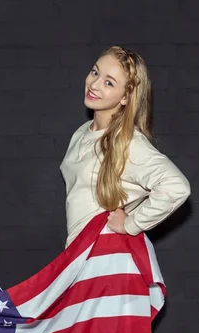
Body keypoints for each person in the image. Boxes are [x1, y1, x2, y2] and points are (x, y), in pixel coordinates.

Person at [60, 45, 191, 246]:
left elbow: (176, 187)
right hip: (77, 255)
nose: (94, 84)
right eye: (95, 72)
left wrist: (130, 224)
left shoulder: (128, 143)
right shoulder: (82, 132)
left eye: (109, 83)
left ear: (125, 97)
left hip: (102, 258)